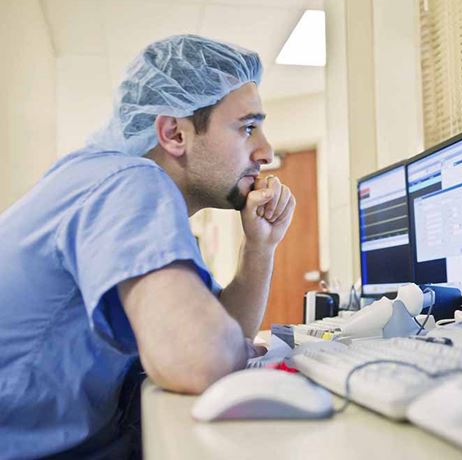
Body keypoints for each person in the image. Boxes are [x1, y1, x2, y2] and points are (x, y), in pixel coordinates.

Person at [0, 34, 295, 459]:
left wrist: (260, 247)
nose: (266, 151)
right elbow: (200, 358)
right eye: (248, 127)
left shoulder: (108, 184)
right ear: (174, 133)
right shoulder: (131, 182)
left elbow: (221, 329)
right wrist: (227, 347)